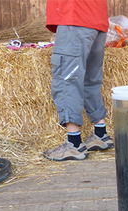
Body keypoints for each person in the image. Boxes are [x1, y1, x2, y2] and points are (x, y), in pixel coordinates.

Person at [44, 0, 114, 161]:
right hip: (97, 18)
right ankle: (100, 134)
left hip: (75, 16)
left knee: (66, 79)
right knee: (90, 79)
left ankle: (74, 143)